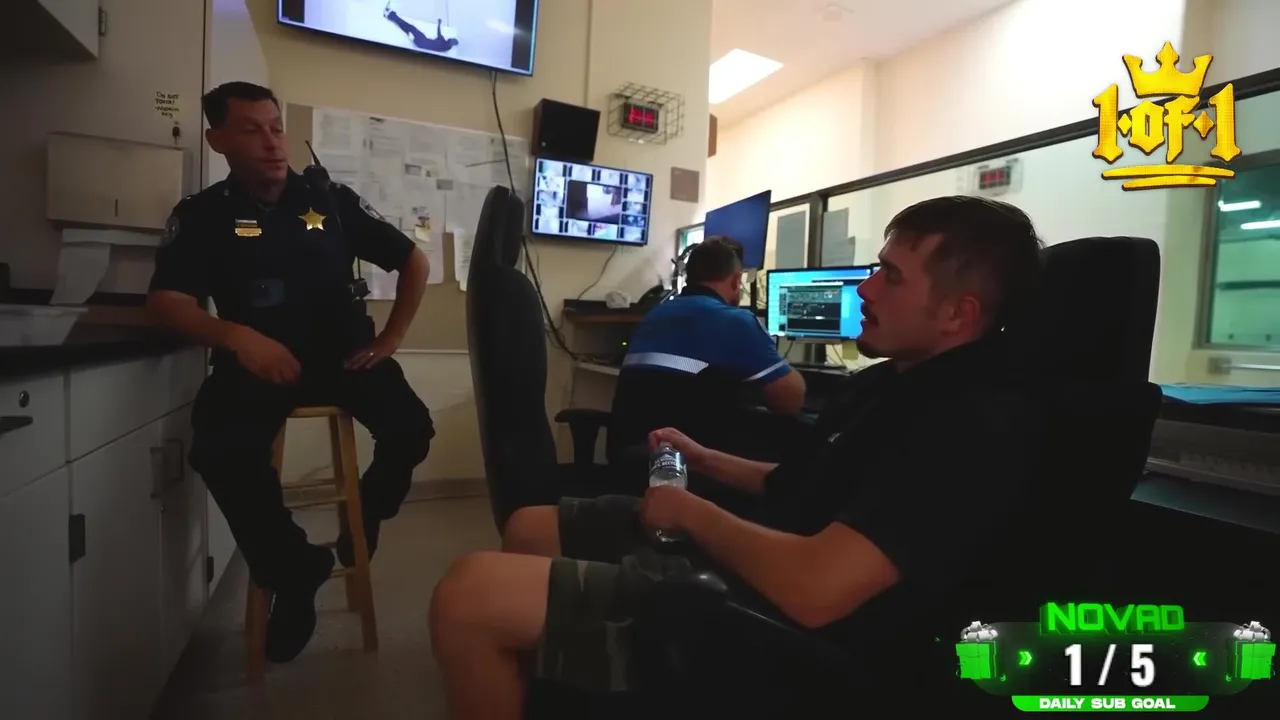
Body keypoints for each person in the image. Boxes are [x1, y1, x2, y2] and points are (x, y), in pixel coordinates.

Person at [428, 196, 1045, 719]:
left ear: (958, 313)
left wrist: (691, 513)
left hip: (782, 627)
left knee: (467, 595)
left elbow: (816, 590)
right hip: (757, 559)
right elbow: (797, 478)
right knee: (527, 528)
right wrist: (703, 458)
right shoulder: (890, 383)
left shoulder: (968, 423)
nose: (865, 287)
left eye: (891, 276)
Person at [147, 81, 435, 664]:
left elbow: (414, 261)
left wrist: (391, 338)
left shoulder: (329, 199)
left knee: (411, 430)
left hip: (345, 355)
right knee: (219, 451)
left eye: (276, 128)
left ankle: (369, 511)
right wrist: (238, 337)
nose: (272, 142)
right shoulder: (203, 214)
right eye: (252, 130)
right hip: (258, 361)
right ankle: (295, 569)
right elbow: (166, 301)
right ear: (218, 140)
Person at [605, 236, 805, 494]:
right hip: (688, 468)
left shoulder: (655, 314)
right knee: (796, 448)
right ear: (736, 280)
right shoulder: (734, 321)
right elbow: (791, 401)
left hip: (632, 462)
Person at [384, 3, 459, 53]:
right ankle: (391, 15)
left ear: (452, 43)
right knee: (409, 27)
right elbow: (439, 33)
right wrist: (439, 23)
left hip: (420, 41)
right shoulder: (443, 41)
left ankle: (389, 14)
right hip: (422, 38)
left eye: (451, 39)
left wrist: (413, 39)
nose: (450, 38)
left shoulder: (445, 46)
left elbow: (447, 45)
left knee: (407, 27)